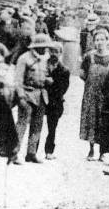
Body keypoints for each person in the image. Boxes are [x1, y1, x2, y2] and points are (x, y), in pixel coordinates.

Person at [12, 34, 54, 164]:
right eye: (42, 47)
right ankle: (14, 153)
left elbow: (45, 73)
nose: (45, 49)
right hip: (27, 94)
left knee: (37, 125)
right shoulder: (24, 58)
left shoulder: (45, 58)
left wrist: (47, 80)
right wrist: (21, 96)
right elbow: (18, 80)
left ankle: (31, 153)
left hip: (41, 94)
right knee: (22, 124)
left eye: (46, 47)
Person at [79, 28, 109, 161]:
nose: (99, 42)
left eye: (102, 39)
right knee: (91, 120)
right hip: (91, 94)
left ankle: (102, 152)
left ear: (108, 41)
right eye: (97, 40)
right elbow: (82, 73)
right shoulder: (89, 56)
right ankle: (91, 149)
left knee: (104, 121)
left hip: (106, 95)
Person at [43, 42, 70, 161]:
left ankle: (49, 151)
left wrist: (51, 83)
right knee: (36, 125)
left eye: (56, 51)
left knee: (52, 128)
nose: (53, 54)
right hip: (41, 99)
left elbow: (62, 89)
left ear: (60, 53)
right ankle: (32, 150)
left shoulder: (64, 70)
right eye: (51, 51)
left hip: (55, 102)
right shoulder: (42, 65)